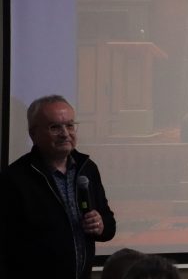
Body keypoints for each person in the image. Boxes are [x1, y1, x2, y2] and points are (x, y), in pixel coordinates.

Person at [0, 94, 116, 279]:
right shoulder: (15, 178)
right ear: (33, 134)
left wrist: (100, 225)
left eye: (70, 125)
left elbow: (109, 225)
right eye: (55, 127)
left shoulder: (88, 169)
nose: (65, 133)